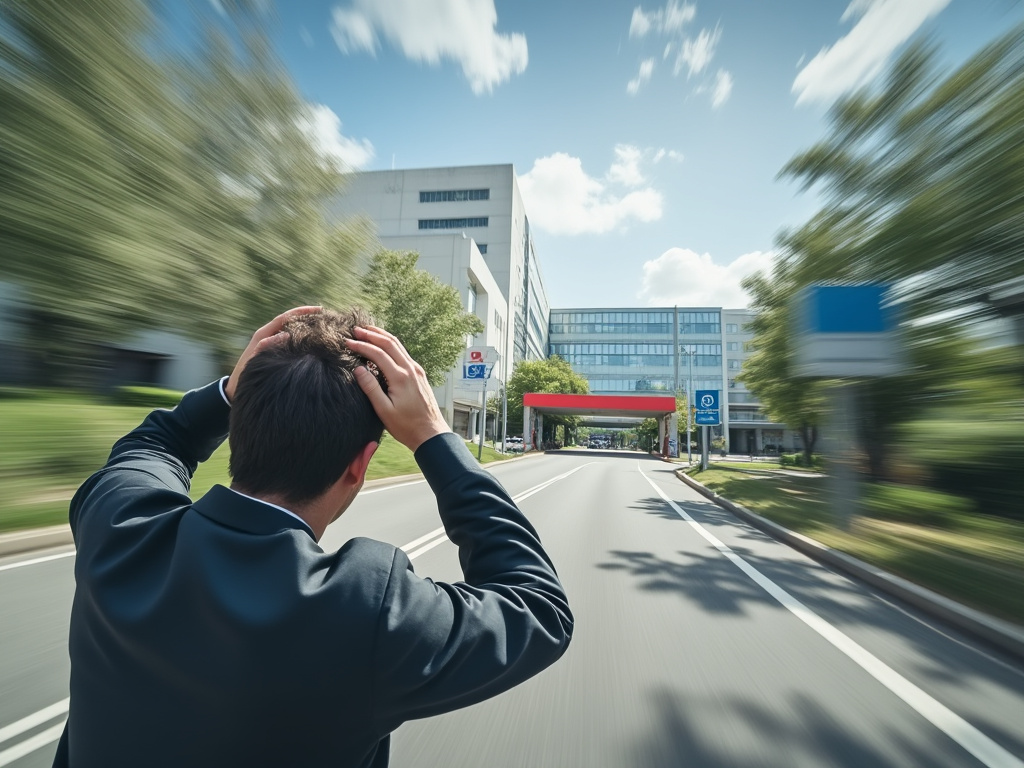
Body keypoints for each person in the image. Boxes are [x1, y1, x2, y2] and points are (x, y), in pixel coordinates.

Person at [54, 307, 573, 768]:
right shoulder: (370, 614)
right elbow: (540, 610)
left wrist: (225, 394)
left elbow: (154, 442)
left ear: (239, 425)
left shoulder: (119, 525)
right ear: (361, 464)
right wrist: (434, 437)